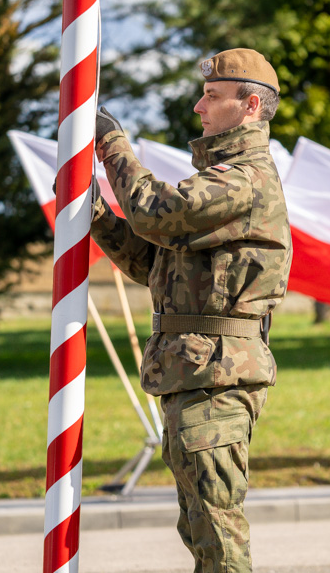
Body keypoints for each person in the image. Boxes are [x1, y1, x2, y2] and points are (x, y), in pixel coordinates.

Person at [89, 48, 291, 572]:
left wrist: (112, 145)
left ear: (249, 106)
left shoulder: (244, 179)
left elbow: (158, 211)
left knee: (216, 532)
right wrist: (97, 215)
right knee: (201, 528)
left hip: (216, 374)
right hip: (194, 370)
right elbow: (153, 262)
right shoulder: (222, 177)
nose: (198, 106)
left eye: (212, 95)